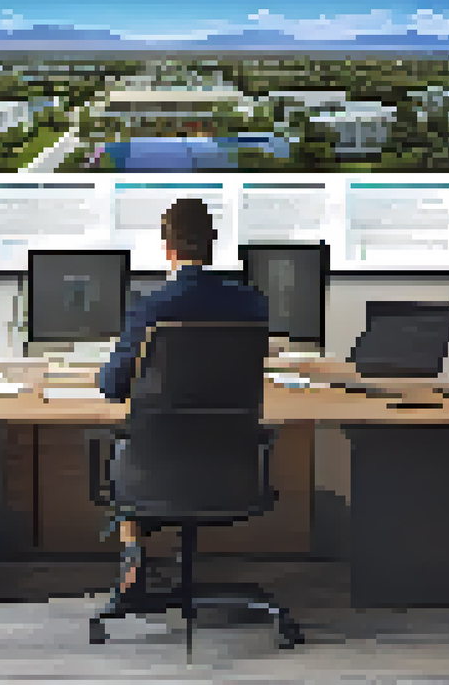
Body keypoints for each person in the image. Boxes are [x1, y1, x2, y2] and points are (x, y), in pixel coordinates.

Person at [97, 198, 269, 609]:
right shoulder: (251, 304)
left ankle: (135, 557)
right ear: (212, 244)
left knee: (126, 447)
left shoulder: (151, 307)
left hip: (155, 466)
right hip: (232, 469)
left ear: (167, 247)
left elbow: (113, 386)